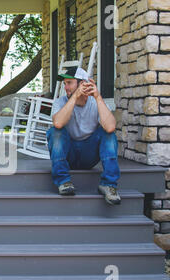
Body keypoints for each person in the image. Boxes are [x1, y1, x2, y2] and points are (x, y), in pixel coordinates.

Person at [46, 66, 121, 205]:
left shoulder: (95, 103)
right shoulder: (60, 102)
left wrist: (98, 97)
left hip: (89, 155)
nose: (66, 87)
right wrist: (74, 97)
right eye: (65, 84)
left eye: (69, 83)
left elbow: (110, 127)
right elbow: (58, 123)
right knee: (55, 132)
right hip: (69, 155)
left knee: (108, 134)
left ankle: (109, 185)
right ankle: (63, 182)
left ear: (82, 84)